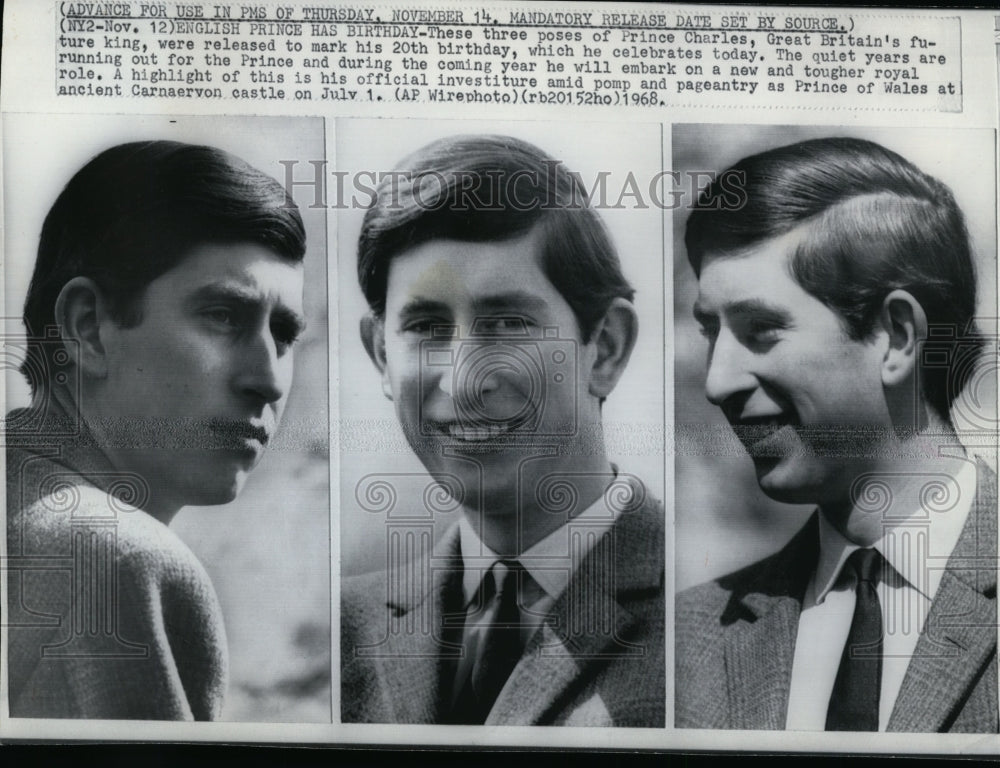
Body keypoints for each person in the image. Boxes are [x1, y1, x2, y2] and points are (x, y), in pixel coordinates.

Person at [675, 136, 997, 733]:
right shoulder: (686, 636)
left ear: (897, 337)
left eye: (761, 329)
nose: (718, 383)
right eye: (709, 332)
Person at [341, 134, 665, 726]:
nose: (465, 381)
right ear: (382, 356)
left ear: (606, 349)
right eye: (427, 327)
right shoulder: (345, 627)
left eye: (510, 323)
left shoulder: (720, 611)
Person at [6, 140, 307, 719]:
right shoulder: (116, 557)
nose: (268, 380)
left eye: (285, 335)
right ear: (88, 327)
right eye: (223, 316)